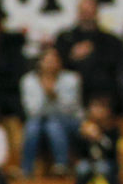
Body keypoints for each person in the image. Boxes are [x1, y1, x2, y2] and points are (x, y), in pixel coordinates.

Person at [55, 0, 123, 113]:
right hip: (71, 95)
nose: (86, 16)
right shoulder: (64, 39)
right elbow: (55, 67)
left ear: (96, 13)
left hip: (103, 94)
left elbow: (116, 67)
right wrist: (72, 57)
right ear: (78, 13)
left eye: (90, 12)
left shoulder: (111, 41)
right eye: (83, 12)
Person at [20, 46, 83, 177]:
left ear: (60, 62)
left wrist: (55, 97)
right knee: (32, 127)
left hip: (70, 121)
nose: (51, 65)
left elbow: (71, 109)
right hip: (39, 120)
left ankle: (61, 166)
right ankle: (26, 169)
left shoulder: (71, 79)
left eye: (54, 61)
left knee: (53, 124)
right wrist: (46, 95)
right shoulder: (28, 80)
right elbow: (32, 111)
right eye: (47, 61)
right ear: (40, 63)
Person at [74, 94, 122, 184]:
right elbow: (80, 152)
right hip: (88, 161)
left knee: (102, 168)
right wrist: (85, 137)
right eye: (94, 107)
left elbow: (111, 150)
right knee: (82, 168)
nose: (97, 111)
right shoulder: (84, 127)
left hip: (107, 162)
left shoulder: (112, 128)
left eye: (100, 107)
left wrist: (99, 137)